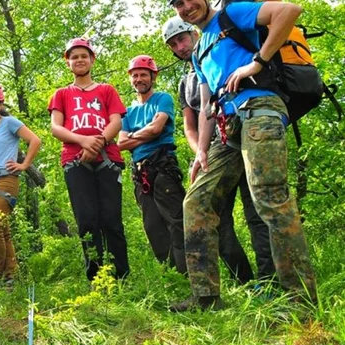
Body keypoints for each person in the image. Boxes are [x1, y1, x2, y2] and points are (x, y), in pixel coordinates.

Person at [168, 0, 317, 311]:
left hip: (259, 110)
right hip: (227, 127)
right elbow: (207, 107)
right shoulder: (198, 52)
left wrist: (257, 63)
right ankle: (205, 298)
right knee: (195, 202)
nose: (186, 6)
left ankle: (300, 300)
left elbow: (289, 11)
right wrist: (202, 152)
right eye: (178, 4)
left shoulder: (231, 16)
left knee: (270, 199)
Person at [162, 16, 274, 284]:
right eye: (173, 44)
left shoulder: (219, 51)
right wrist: (200, 152)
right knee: (216, 217)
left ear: (193, 34)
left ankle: (269, 280)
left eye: (182, 39)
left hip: (243, 131)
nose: (180, 47)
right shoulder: (186, 83)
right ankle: (244, 280)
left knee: (256, 210)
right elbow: (191, 124)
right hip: (213, 150)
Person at [48, 38, 130, 282]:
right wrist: (83, 142)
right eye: (74, 57)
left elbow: (116, 121)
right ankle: (96, 278)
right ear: (68, 63)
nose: (79, 60)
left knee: (111, 219)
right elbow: (55, 128)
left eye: (84, 55)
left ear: (92, 59)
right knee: (86, 220)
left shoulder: (107, 90)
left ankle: (121, 276)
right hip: (75, 161)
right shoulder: (61, 94)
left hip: (107, 159)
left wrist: (99, 142)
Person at [117, 55, 187, 275]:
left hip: (163, 165)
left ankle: (189, 273)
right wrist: (145, 134)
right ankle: (171, 274)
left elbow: (157, 129)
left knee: (176, 221)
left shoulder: (163, 99)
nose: (139, 79)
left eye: (143, 75)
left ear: (153, 77)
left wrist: (135, 137)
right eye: (135, 75)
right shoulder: (127, 112)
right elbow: (121, 143)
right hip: (141, 172)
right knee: (152, 226)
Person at [0, 82, 41, 286]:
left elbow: (35, 141)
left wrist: (24, 165)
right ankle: (11, 274)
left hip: (6, 179)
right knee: (2, 229)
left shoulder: (9, 123)